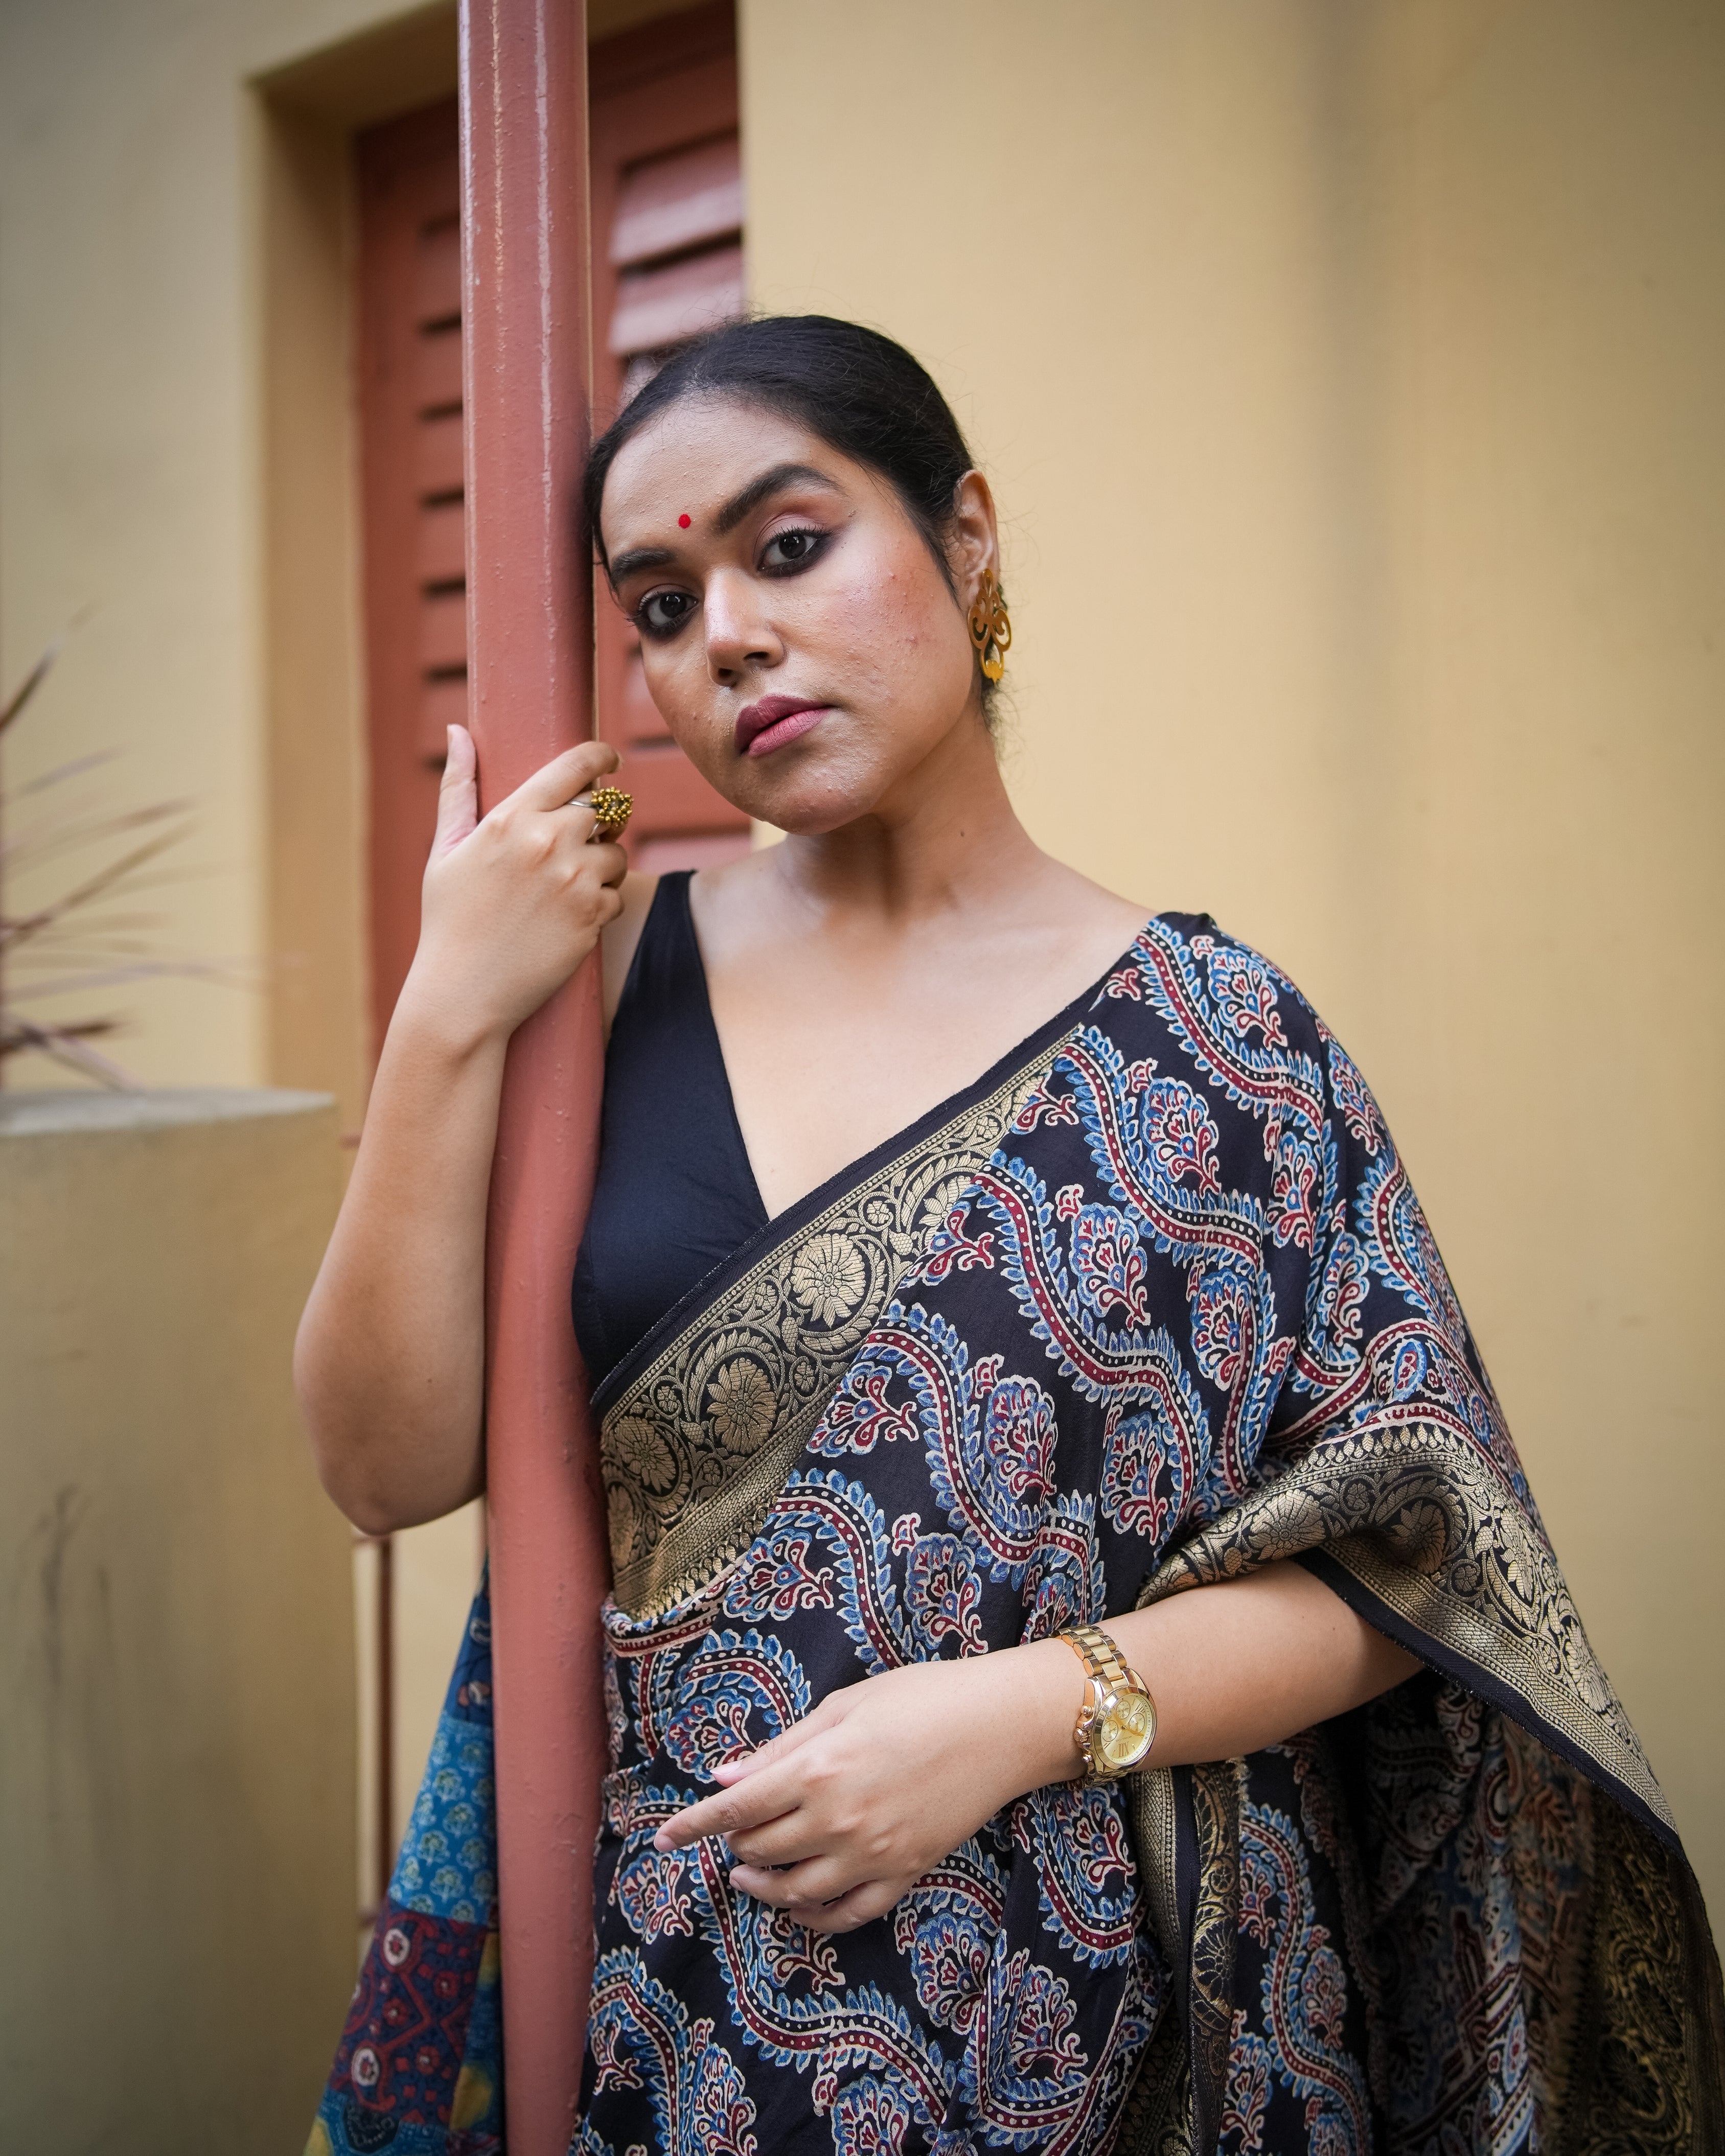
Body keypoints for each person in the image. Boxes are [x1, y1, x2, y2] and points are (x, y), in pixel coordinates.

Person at [300, 317, 1720, 2156]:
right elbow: (382, 1465)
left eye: (789, 546)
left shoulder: (1221, 1050)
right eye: (660, 604)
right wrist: (444, 1014)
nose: (726, 635)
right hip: (688, 2023)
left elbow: (1420, 1557)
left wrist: (1026, 1714)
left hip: (1136, 2030)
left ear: (965, 539)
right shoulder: (591, 998)